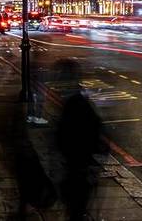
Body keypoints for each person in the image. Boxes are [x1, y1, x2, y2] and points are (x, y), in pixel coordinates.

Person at [55, 59, 107, 220]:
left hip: (77, 166)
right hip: (80, 166)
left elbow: (63, 135)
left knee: (76, 209)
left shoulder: (75, 103)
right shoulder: (80, 101)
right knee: (77, 208)